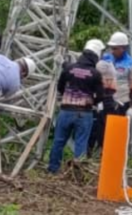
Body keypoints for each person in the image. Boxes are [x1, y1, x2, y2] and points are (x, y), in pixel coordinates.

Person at [47, 39, 115, 173]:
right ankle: (77, 174)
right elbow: (100, 96)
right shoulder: (95, 74)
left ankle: (53, 170)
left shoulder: (69, 68)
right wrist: (92, 103)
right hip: (84, 113)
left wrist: (67, 96)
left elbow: (60, 87)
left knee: (59, 141)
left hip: (66, 110)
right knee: (81, 144)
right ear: (96, 55)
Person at [90, 31, 132, 155]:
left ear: (123, 48)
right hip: (105, 101)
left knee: (116, 135)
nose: (112, 50)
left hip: (121, 103)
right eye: (111, 48)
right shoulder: (106, 61)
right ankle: (103, 154)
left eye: (115, 48)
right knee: (101, 132)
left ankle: (114, 157)